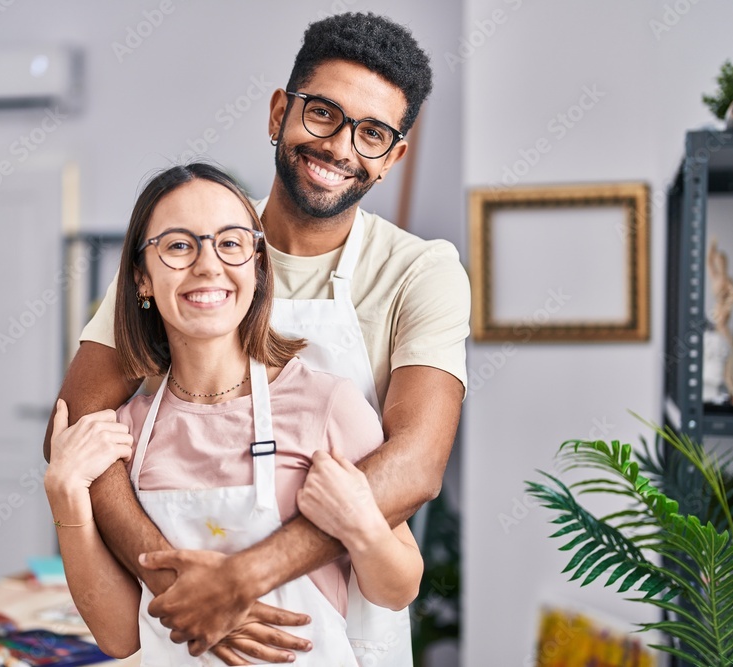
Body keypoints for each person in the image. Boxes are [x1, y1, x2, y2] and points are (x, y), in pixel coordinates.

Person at [43, 11, 470, 664]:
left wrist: (240, 583)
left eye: (373, 133)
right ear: (279, 113)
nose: (339, 147)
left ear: (393, 159)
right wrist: (178, 589)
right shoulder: (189, 242)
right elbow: (74, 429)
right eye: (323, 114)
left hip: (344, 631)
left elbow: (414, 466)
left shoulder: (420, 271)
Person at [44, 163, 423, 664]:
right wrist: (66, 498)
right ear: (141, 278)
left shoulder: (327, 406)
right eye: (179, 246)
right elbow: (120, 638)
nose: (207, 266)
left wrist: (363, 525)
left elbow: (397, 590)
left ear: (258, 265)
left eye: (230, 243)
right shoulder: (124, 435)